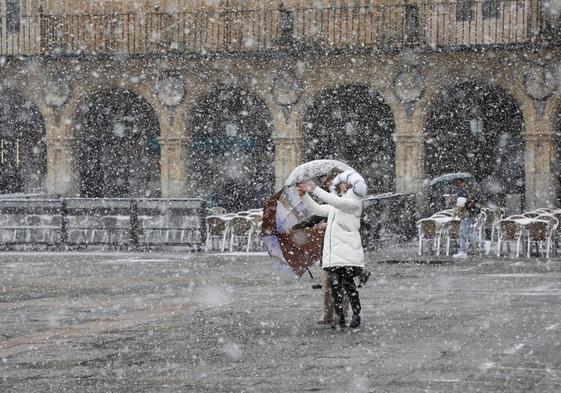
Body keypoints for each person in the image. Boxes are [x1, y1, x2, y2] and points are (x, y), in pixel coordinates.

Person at [297, 169, 367, 330]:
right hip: (334, 254)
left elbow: (336, 202)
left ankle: (356, 314)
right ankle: (339, 315)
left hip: (348, 253)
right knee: (335, 286)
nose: (342, 187)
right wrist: (305, 196)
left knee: (348, 285)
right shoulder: (336, 206)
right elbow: (318, 209)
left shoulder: (353, 203)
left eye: (346, 185)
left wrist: (314, 188)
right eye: (342, 185)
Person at [452, 178, 480, 258]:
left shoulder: (462, 191)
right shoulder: (466, 190)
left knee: (465, 234)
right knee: (463, 234)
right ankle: (463, 251)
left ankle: (484, 243)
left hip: (466, 214)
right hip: (467, 214)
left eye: (457, 183)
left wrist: (455, 213)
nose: (456, 185)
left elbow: (460, 205)